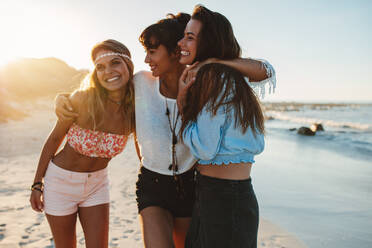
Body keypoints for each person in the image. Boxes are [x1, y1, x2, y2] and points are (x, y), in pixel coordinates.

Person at [55, 13, 272, 248]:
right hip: (153, 184)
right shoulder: (140, 83)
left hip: (192, 184)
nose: (146, 59)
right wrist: (64, 98)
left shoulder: (202, 81)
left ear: (174, 52)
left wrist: (216, 63)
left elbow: (264, 72)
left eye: (152, 51)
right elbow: (105, 88)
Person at [177, 5, 276, 248]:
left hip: (222, 197)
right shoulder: (225, 76)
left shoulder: (216, 77)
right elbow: (269, 71)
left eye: (190, 37)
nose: (181, 42)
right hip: (226, 194)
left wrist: (182, 105)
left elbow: (204, 148)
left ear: (208, 42)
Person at [29, 39, 135, 248]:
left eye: (115, 62)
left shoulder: (135, 110)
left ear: (128, 66)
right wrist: (36, 184)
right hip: (60, 183)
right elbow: (53, 140)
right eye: (100, 67)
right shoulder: (82, 100)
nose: (108, 71)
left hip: (97, 185)